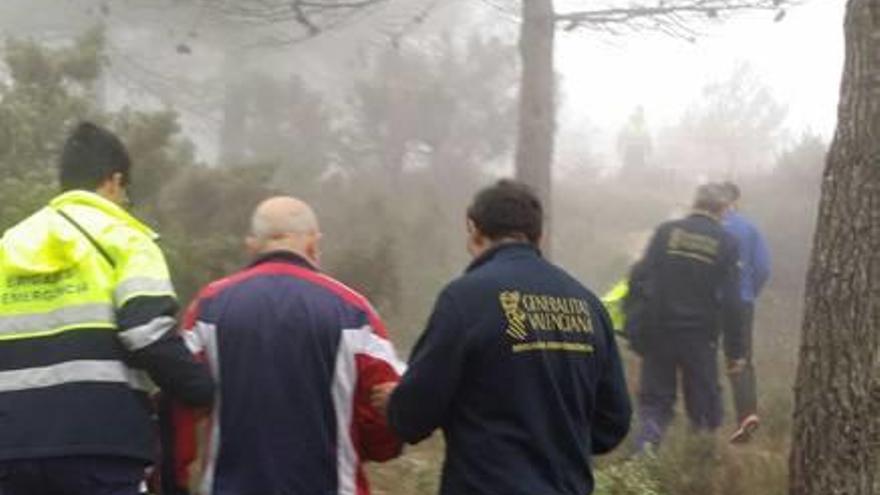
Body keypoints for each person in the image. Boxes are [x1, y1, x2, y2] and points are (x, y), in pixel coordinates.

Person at [372, 180, 632, 495]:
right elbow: (613, 421)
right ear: (539, 236)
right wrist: (558, 441)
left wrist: (395, 404)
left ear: (474, 229)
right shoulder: (587, 305)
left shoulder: (465, 299)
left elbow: (416, 414)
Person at [0, 122, 215, 495]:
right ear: (114, 181)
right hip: (100, 440)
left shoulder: (11, 243)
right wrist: (202, 390)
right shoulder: (126, 240)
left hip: (12, 445)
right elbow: (145, 333)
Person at [163, 196, 405, 495]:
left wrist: (175, 479)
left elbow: (179, 401)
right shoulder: (354, 311)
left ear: (252, 246)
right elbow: (387, 413)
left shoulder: (209, 306)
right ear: (314, 244)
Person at [631, 183, 744, 452]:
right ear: (723, 209)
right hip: (699, 338)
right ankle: (698, 466)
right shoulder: (727, 243)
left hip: (659, 332)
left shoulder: (665, 232)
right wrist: (735, 351)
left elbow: (638, 278)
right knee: (704, 408)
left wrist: (637, 326)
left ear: (695, 203)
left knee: (655, 404)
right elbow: (732, 301)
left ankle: (641, 466)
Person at [719, 181, 771, 444]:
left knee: (699, 356)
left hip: (709, 302)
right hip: (741, 301)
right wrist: (750, 291)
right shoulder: (749, 228)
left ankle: (702, 419)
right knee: (740, 359)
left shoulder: (709, 227)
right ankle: (746, 415)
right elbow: (763, 268)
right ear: (737, 201)